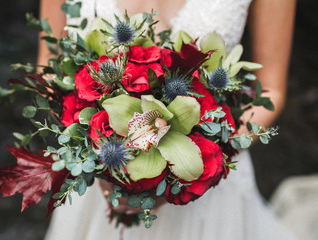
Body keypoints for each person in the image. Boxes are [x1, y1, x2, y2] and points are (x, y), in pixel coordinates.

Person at [40, 0, 298, 239]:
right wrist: (99, 162)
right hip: (98, 184)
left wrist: (193, 171)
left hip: (205, 192)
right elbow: (48, 68)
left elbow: (270, 92)